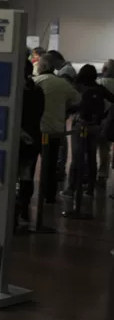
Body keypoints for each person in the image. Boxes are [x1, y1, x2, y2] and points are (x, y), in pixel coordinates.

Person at [33, 56, 80, 203]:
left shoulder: (35, 82)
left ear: (41, 67)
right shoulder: (62, 83)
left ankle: (26, 196)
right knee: (50, 164)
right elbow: (78, 99)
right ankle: (49, 195)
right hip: (55, 130)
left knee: (30, 163)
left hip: (35, 129)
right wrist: (65, 108)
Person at [67, 65, 114, 197]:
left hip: (80, 125)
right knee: (92, 157)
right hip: (96, 126)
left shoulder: (79, 87)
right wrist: (104, 116)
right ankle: (90, 189)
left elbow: (75, 105)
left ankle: (72, 188)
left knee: (77, 157)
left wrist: (70, 109)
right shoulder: (99, 88)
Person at [18, 60, 46, 224]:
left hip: (20, 140)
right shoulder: (37, 91)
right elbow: (39, 113)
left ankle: (17, 208)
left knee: (16, 174)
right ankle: (24, 208)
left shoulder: (17, 92)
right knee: (27, 174)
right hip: (33, 138)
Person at [97, 60, 114, 186]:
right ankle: (105, 174)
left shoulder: (100, 83)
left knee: (102, 149)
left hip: (101, 120)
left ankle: (101, 175)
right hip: (112, 120)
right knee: (106, 148)